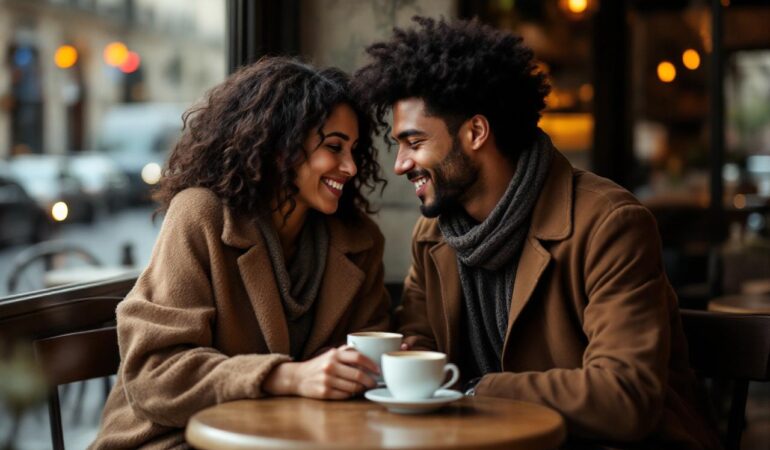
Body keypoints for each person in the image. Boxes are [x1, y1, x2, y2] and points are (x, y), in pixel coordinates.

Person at [354, 17, 721, 449]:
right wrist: (407, 359)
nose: (400, 164)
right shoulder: (433, 234)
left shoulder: (610, 224)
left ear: (476, 133)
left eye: (414, 143)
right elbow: (424, 341)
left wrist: (476, 389)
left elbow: (625, 397)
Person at [91, 57, 390, 449]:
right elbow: (155, 374)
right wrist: (286, 377)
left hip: (295, 437)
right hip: (173, 438)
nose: (350, 166)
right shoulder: (202, 215)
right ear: (282, 147)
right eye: (334, 147)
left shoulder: (358, 241)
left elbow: (368, 350)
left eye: (354, 149)